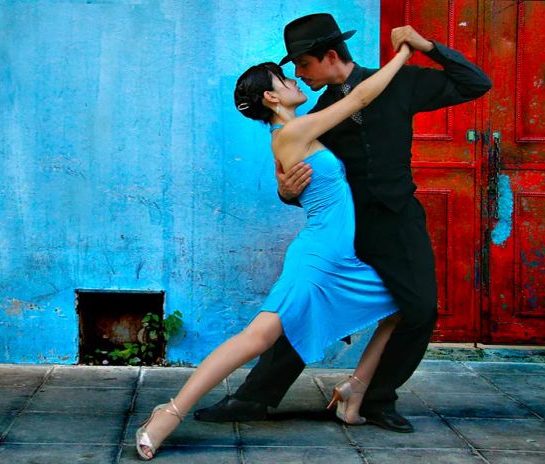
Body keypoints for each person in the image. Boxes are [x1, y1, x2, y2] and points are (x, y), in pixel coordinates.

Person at [194, 13, 492, 433]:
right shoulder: (320, 114)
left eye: (303, 65)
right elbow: (309, 183)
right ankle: (253, 397)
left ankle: (374, 398)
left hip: (399, 224)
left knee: (420, 309)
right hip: (347, 230)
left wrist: (427, 48)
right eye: (293, 71)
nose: (299, 75)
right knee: (305, 306)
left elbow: (476, 83)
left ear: (329, 55)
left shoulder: (400, 84)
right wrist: (286, 191)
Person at [134, 43, 413, 460]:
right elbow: (359, 97)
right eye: (286, 80)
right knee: (258, 337)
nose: (296, 80)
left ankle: (354, 390)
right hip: (317, 260)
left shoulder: (288, 135)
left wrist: (286, 190)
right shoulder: (295, 132)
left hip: (338, 259)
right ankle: (168, 413)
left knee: (402, 307)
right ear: (272, 97)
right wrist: (404, 53)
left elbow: (297, 187)